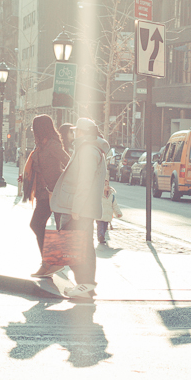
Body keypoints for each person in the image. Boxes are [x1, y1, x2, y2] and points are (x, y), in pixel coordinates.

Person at [51, 118, 109, 298]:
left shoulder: (88, 150)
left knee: (72, 245)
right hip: (81, 207)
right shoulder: (89, 149)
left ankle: (84, 285)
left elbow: (84, 182)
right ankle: (86, 286)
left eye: (77, 131)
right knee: (83, 246)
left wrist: (76, 207)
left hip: (79, 209)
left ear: (83, 132)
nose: (74, 133)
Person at [21, 115, 70, 277]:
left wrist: (60, 183)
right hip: (43, 193)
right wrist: (28, 176)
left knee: (59, 228)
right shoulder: (40, 146)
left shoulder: (53, 145)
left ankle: (51, 263)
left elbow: (68, 162)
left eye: (34, 127)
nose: (32, 130)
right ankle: (49, 262)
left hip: (55, 192)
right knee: (36, 224)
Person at [96, 179, 123, 244]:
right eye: (105, 185)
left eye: (108, 184)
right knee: (100, 227)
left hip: (107, 216)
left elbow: (115, 206)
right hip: (100, 215)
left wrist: (118, 213)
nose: (107, 186)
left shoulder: (111, 196)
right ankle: (100, 236)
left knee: (105, 228)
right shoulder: (99, 196)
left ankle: (102, 236)